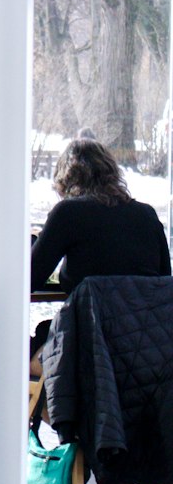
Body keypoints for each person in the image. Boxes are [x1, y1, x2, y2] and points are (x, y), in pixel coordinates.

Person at [30, 137, 171, 365]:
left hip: (89, 347)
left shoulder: (68, 213)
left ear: (66, 178)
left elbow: (30, 278)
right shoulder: (147, 215)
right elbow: (163, 283)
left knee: (26, 345)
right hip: (148, 354)